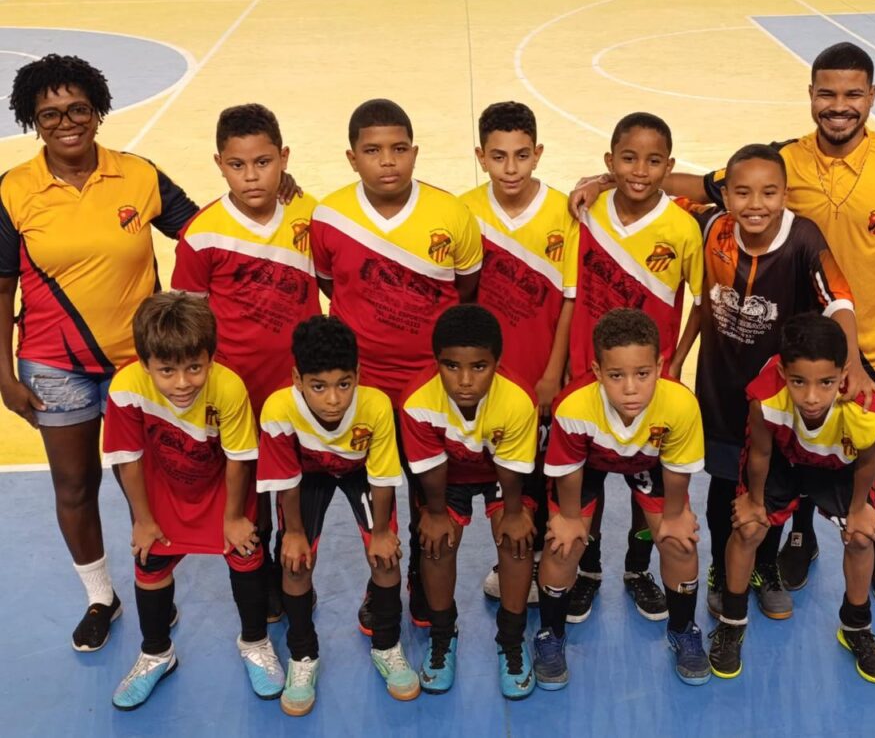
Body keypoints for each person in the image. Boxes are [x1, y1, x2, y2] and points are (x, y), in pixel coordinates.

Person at [572, 42, 875, 606]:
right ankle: (782, 547)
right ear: (811, 96)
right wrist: (606, 180)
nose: (839, 104)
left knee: (872, 448)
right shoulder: (766, 175)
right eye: (827, 93)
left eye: (853, 93)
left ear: (871, 96)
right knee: (762, 465)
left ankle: (871, 546)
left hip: (867, 345)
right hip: (769, 366)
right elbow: (691, 185)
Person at [0, 54, 199, 652]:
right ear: (33, 121)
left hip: (141, 364)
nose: (66, 122)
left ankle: (154, 586)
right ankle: (100, 596)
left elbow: (204, 233)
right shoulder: (13, 190)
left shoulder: (138, 175)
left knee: (155, 479)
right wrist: (3, 375)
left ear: (98, 111)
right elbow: (1, 287)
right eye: (50, 114)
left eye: (78, 109)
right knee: (75, 485)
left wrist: (273, 197)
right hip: (53, 365)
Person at [668, 144, 871, 622]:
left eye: (768, 192)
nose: (755, 203)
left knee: (774, 488)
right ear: (725, 195)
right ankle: (721, 569)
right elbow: (649, 187)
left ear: (785, 194)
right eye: (742, 192)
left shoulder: (802, 239)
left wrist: (853, 363)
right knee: (724, 486)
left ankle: (764, 567)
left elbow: (839, 300)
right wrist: (601, 182)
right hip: (721, 385)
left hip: (779, 395)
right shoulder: (710, 225)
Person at [310, 98, 483, 626]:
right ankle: (380, 580)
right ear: (352, 157)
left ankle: (418, 577)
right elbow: (330, 284)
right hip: (361, 386)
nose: (388, 161)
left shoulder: (452, 214)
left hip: (428, 385)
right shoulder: (329, 216)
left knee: (427, 490)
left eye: (399, 149)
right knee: (373, 495)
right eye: (373, 151)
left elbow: (466, 290)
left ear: (415, 152)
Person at [171, 103, 321, 622]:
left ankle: (291, 570)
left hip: (299, 390)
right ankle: (259, 580)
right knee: (249, 492)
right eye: (237, 165)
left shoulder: (310, 216)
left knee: (295, 489)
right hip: (236, 394)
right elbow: (187, 323)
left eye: (263, 162)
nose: (251, 176)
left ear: (284, 158)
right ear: (219, 164)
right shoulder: (202, 233)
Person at [103, 292, 283, 710]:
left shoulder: (229, 387)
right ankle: (156, 653)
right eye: (167, 370)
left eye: (194, 368)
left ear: (210, 358)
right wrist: (143, 519)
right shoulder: (126, 387)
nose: (182, 382)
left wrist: (233, 517)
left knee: (246, 553)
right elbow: (128, 460)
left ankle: (255, 642)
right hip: (163, 487)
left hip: (222, 485)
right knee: (149, 561)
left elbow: (239, 459)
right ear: (145, 363)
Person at [562, 112, 704, 624]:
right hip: (589, 377)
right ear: (610, 161)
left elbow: (702, 303)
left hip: (649, 384)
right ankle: (589, 568)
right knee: (590, 483)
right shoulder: (585, 211)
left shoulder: (683, 227)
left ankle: (638, 567)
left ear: (669, 165)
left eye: (652, 161)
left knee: (652, 487)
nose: (639, 171)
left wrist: (678, 359)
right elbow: (568, 293)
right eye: (627, 159)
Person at [710, 313, 875, 684]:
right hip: (784, 458)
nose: (811, 397)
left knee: (861, 536)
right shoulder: (765, 396)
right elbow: (760, 452)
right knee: (748, 528)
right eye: (798, 382)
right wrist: (754, 501)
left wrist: (859, 508)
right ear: (783, 374)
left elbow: (869, 460)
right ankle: (731, 622)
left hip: (837, 466)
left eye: (826, 383)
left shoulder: (865, 406)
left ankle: (856, 627)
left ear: (844, 374)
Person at [533, 308, 708, 690]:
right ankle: (550, 635)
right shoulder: (574, 405)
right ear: (598, 371)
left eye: (642, 374)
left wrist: (674, 516)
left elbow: (677, 469)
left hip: (649, 461)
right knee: (563, 545)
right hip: (589, 462)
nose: (630, 388)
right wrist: (569, 519)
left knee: (680, 542)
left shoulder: (680, 404)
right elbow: (568, 470)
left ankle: (683, 629)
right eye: (616, 376)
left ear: (659, 367)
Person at [257, 315, 418, 715]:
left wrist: (381, 533)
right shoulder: (278, 408)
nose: (333, 399)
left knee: (386, 555)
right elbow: (286, 479)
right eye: (319, 387)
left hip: (359, 471)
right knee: (294, 561)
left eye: (344, 384)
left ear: (358, 374)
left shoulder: (376, 406)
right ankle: (303, 654)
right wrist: (294, 533)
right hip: (307, 477)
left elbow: (382, 478)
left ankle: (387, 645)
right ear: (297, 379)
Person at [459, 101, 575, 607]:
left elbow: (570, 299)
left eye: (522, 155)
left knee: (542, 475)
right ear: (480, 156)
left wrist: (554, 372)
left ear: (538, 153)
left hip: (541, 375)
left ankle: (547, 563)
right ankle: (510, 562)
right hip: (486, 381)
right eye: (499, 156)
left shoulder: (566, 213)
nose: (511, 168)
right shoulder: (462, 211)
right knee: (499, 477)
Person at [400, 304, 539, 700]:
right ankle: (443, 635)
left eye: (479, 367)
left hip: (500, 473)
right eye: (451, 366)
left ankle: (511, 640)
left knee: (516, 541)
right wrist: (435, 514)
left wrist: (515, 513)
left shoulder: (517, 399)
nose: (464, 380)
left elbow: (511, 469)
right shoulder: (416, 400)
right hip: (446, 478)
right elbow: (431, 469)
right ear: (436, 362)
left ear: (497, 362)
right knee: (435, 542)